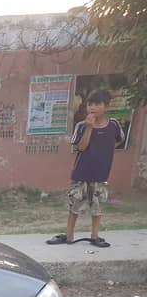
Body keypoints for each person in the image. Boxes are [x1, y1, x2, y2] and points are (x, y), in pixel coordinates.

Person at [47, 89, 124, 247]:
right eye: (90, 104)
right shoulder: (82, 125)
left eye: (97, 104)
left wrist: (105, 152)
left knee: (97, 206)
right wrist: (89, 128)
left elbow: (119, 140)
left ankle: (95, 236)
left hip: (101, 174)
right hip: (81, 173)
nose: (92, 108)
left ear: (106, 107)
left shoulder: (114, 125)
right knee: (75, 205)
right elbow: (81, 147)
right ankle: (69, 236)